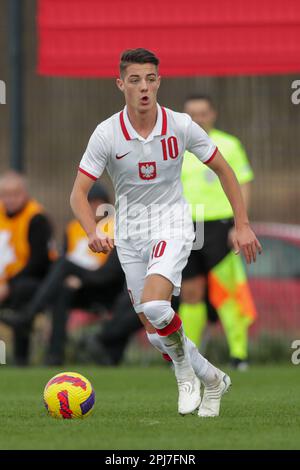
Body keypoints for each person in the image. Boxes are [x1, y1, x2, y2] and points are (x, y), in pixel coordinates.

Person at [70, 48, 262, 417]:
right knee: (156, 331)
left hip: (172, 224)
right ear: (121, 84)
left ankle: (185, 372)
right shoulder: (107, 133)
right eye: (135, 80)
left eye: (150, 79)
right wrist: (92, 230)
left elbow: (224, 169)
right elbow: (77, 193)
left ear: (159, 82)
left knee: (158, 306)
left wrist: (242, 224)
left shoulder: (181, 124)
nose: (144, 87)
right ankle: (212, 378)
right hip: (129, 234)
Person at [1, 183, 125, 366]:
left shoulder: (116, 226)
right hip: (76, 286)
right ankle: (54, 355)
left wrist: (80, 278)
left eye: (99, 203)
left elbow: (112, 272)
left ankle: (28, 316)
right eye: (89, 203)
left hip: (103, 287)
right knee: (61, 289)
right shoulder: (74, 227)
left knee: (63, 264)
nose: (93, 208)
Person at [180, 94, 257, 369]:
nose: (198, 118)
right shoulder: (176, 146)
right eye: (192, 114)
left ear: (213, 114)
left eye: (203, 113)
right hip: (185, 226)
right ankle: (188, 356)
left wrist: (240, 224)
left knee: (226, 291)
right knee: (190, 292)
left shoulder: (229, 145)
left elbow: (244, 183)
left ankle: (239, 354)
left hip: (220, 225)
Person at [0, 171, 55, 365]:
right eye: (5, 194)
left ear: (24, 193)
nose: (10, 199)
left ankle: (20, 358)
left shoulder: (36, 218)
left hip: (29, 282)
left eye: (15, 193)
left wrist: (9, 285)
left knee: (23, 291)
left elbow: (38, 262)